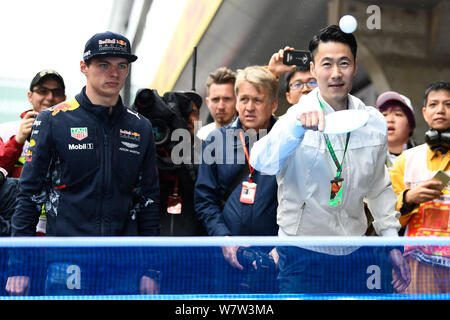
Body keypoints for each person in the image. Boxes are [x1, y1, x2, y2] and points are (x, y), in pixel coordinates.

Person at [249, 25, 410, 293]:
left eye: (344, 63)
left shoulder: (373, 122)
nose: (335, 73)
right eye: (327, 64)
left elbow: (379, 187)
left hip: (354, 253)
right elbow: (262, 162)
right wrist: (296, 129)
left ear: (355, 66)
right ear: (313, 69)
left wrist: (390, 241)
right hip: (300, 253)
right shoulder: (295, 117)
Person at [5, 31, 160, 296]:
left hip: (123, 263)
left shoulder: (140, 126)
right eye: (103, 65)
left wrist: (151, 269)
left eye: (122, 66)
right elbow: (29, 195)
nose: (114, 73)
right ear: (83, 68)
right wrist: (18, 265)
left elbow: (149, 199)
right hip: (65, 259)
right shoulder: (53, 120)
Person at [194, 65, 279, 293]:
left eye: (258, 100)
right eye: (244, 99)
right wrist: (225, 239)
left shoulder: (287, 139)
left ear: (274, 104)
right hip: (228, 261)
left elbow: (301, 200)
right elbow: (204, 200)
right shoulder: (216, 140)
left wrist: (283, 247)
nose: (249, 107)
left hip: (277, 261)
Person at [389, 81, 450, 294]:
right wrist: (409, 198)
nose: (440, 109)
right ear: (424, 112)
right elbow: (384, 216)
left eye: (448, 104)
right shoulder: (406, 160)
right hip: (418, 262)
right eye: (433, 104)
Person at [0, 70, 66, 178]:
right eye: (42, 91)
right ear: (30, 96)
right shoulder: (5, 132)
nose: (50, 97)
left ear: (64, 99)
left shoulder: (71, 131)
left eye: (56, 92)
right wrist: (17, 141)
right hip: (19, 194)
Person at [376, 91, 417, 167]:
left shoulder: (425, 156)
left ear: (411, 125)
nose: (389, 120)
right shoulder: (371, 161)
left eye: (398, 114)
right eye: (384, 114)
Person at [196, 67, 237, 140]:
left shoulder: (250, 136)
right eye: (215, 100)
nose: (221, 106)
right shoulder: (201, 135)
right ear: (208, 102)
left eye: (227, 99)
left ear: (237, 101)